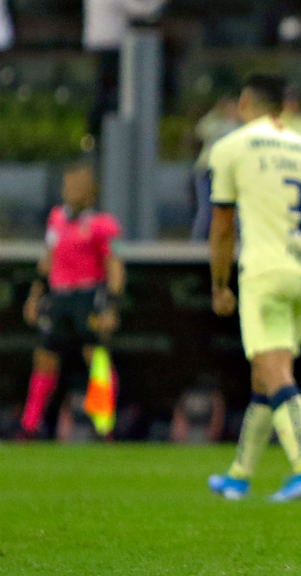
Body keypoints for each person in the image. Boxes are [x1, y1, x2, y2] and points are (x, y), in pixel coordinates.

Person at [206, 73, 301, 502]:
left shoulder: (231, 146)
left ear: (244, 102)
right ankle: (239, 474)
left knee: (275, 370)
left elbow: (222, 225)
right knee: (265, 375)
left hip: (266, 271)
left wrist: (220, 284)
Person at [20, 162, 125, 440]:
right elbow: (48, 259)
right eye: (68, 185)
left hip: (87, 297)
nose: (71, 190)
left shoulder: (101, 225)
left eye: (77, 185)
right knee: (44, 359)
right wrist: (35, 295)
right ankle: (29, 426)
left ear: (90, 192)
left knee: (97, 359)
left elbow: (114, 266)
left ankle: (105, 426)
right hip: (59, 296)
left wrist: (111, 304)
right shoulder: (56, 219)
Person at [83, 0, 167, 142]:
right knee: (113, 94)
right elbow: (141, 10)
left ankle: (96, 135)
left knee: (105, 91)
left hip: (97, 43)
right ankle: (103, 135)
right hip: (112, 45)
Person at [190, 96, 240, 241]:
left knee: (231, 211)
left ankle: (233, 242)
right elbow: (201, 132)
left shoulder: (239, 125)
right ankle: (196, 243)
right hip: (207, 169)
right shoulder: (213, 123)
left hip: (226, 172)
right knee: (205, 211)